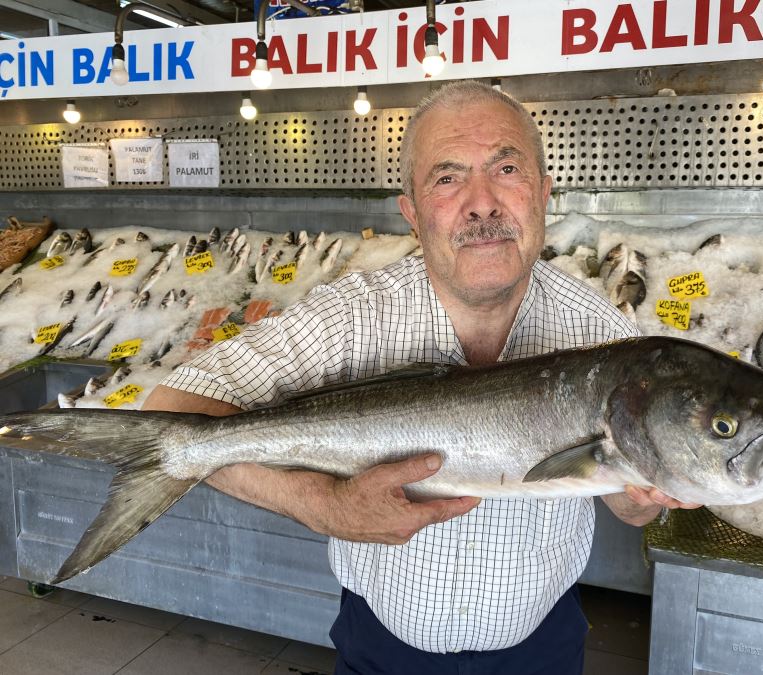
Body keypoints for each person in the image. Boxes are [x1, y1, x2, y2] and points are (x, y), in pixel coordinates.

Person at [143, 80, 700, 674]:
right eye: (447, 177)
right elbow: (172, 408)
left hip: (541, 643)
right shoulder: (350, 315)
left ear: (542, 194)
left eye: (506, 168)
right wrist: (321, 504)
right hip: (382, 645)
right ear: (411, 213)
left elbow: (628, 506)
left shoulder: (604, 334)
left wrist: (644, 499)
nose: (482, 203)